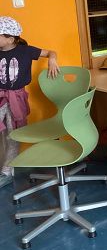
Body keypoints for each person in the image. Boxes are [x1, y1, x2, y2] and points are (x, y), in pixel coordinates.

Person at [0, 17, 60, 189]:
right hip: (0, 98)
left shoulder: (26, 51)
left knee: (13, 134)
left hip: (16, 99)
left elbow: (51, 52)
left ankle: (6, 172)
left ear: (10, 39)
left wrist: (52, 60)